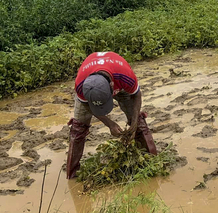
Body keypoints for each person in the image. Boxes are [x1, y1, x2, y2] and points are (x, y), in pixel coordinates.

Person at [66, 51, 157, 179]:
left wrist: (135, 122)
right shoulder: (82, 86)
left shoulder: (125, 76)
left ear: (112, 86)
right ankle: (72, 175)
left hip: (119, 83)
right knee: (78, 127)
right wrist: (109, 124)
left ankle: (152, 162)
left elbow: (136, 94)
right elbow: (85, 104)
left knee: (138, 121)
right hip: (94, 88)